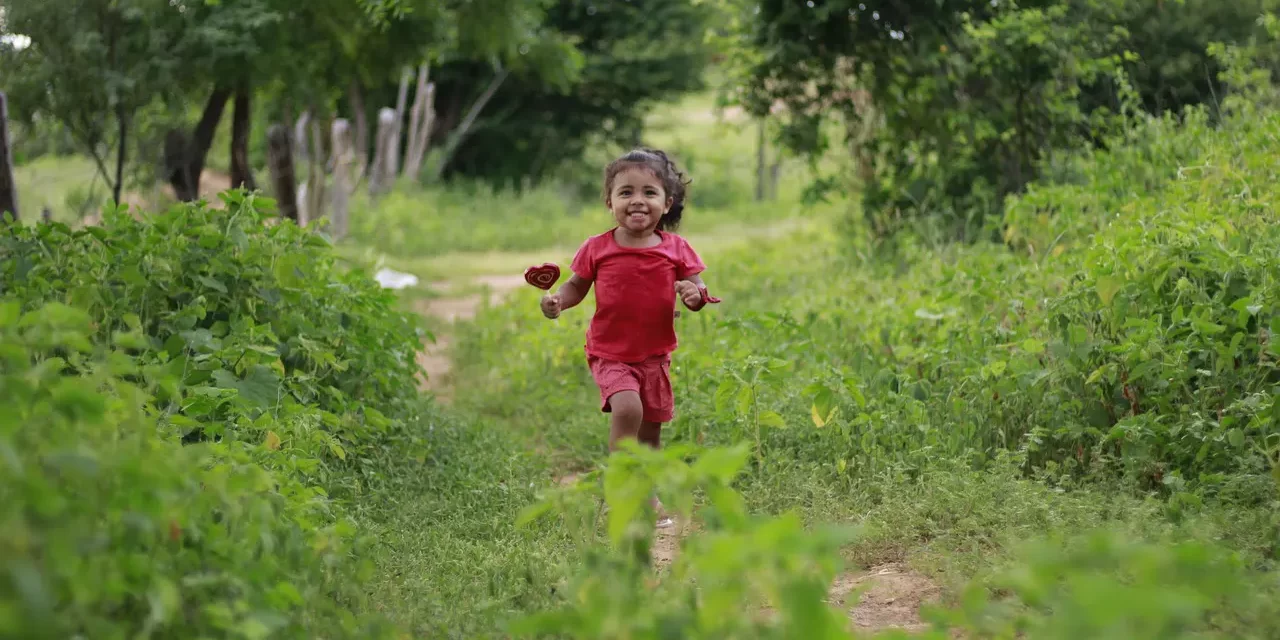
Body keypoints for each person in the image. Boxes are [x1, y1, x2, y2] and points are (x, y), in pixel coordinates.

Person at [539, 148, 717, 525]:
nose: (638, 201)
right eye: (626, 192)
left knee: (650, 433)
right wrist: (557, 303)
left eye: (649, 193)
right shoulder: (597, 248)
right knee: (627, 409)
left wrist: (693, 295)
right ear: (610, 201)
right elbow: (575, 286)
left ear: (667, 203)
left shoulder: (676, 250)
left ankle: (647, 497)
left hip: (654, 356)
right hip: (611, 353)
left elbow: (699, 290)